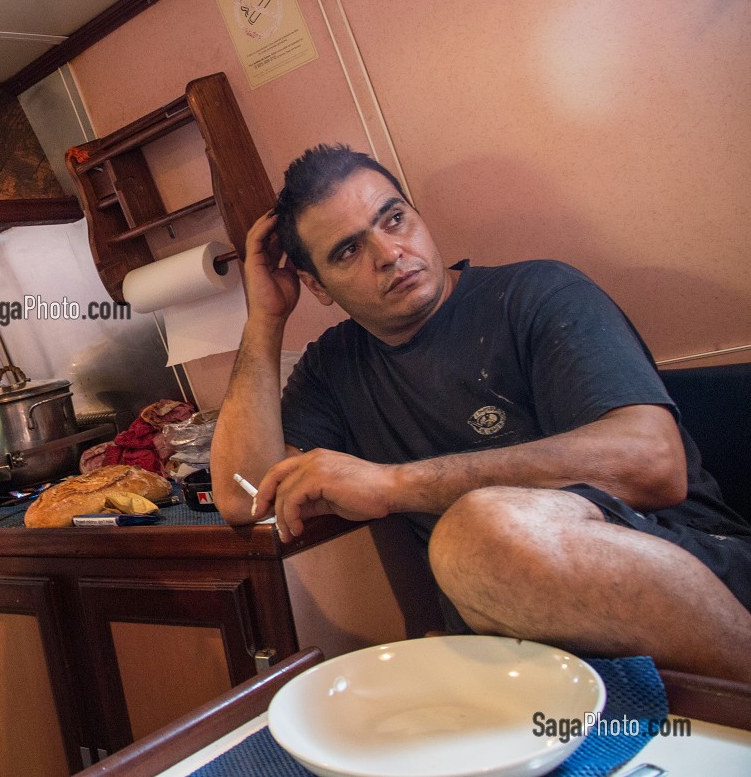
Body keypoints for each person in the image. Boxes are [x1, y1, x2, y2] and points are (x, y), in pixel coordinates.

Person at [210, 143, 751, 681]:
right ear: (315, 286)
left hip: (693, 571)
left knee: (474, 534)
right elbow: (242, 494)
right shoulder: (334, 365)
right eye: (348, 251)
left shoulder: (539, 293)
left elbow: (654, 464)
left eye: (394, 219)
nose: (391, 252)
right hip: (519, 630)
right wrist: (265, 319)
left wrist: (393, 484)